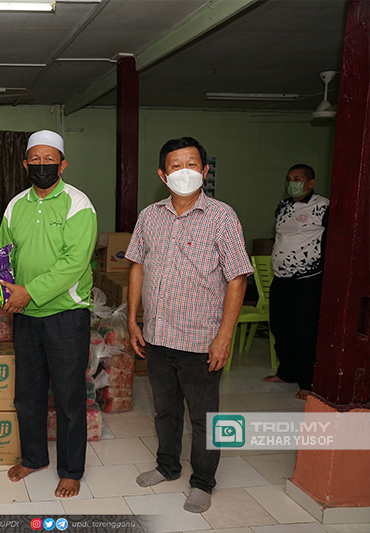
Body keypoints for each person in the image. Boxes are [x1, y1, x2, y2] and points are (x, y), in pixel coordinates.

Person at [125, 137, 252, 513]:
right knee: (164, 410)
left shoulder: (222, 216)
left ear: (205, 170)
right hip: (158, 336)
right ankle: (167, 466)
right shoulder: (149, 216)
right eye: (176, 166)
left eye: (192, 164)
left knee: (203, 417)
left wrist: (224, 337)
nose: (185, 172)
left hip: (201, 339)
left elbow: (237, 278)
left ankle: (202, 482)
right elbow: (137, 265)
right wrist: (133, 319)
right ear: (163, 174)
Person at [0, 130, 97, 499]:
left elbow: (74, 263)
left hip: (66, 314)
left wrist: (29, 292)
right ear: (25, 164)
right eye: (34, 160)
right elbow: (3, 253)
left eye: (49, 159)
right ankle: (34, 457)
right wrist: (0, 289)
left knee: (69, 397)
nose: (42, 166)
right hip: (24, 314)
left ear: (63, 163)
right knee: (28, 393)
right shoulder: (15, 205)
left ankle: (70, 470)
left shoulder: (78, 204)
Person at [264, 164, 329, 399]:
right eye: (289, 178)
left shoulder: (323, 206)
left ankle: (308, 382)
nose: (292, 182)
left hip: (307, 280)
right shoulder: (283, 205)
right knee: (280, 328)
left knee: (304, 332)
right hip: (281, 279)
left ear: (310, 183)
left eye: (298, 178)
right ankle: (287, 372)